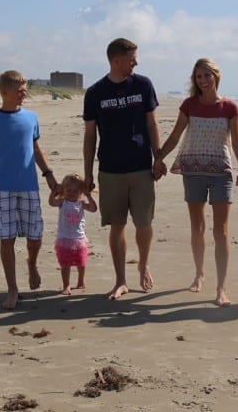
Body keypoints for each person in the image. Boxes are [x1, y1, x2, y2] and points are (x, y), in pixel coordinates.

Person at [154, 58, 238, 307]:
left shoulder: (229, 107)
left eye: (207, 75)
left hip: (222, 172)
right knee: (197, 227)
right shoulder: (189, 105)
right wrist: (158, 158)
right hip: (193, 170)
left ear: (216, 76)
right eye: (199, 77)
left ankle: (221, 288)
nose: (203, 81)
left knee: (221, 230)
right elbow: (175, 136)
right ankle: (199, 274)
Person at [0, 70, 59, 309]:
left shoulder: (31, 117)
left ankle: (32, 263)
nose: (24, 94)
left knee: (35, 235)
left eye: (25, 89)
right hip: (3, 189)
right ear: (4, 92)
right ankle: (12, 289)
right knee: (6, 239)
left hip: (30, 186)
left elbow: (37, 149)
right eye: (20, 91)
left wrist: (49, 175)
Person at [83, 37, 162, 300]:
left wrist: (158, 156)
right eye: (131, 59)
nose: (135, 63)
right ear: (116, 60)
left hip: (141, 166)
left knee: (144, 223)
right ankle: (120, 280)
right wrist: (88, 173)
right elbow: (90, 135)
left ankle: (143, 263)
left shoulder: (143, 85)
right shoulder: (95, 93)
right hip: (110, 169)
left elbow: (151, 124)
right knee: (117, 225)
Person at [49, 173, 97, 295]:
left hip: (79, 238)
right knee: (65, 263)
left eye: (75, 191)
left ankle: (81, 280)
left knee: (81, 261)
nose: (71, 193)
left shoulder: (80, 204)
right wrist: (54, 192)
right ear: (64, 190)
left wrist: (89, 196)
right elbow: (52, 202)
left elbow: (93, 208)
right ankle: (66, 285)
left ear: (80, 192)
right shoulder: (63, 202)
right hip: (64, 237)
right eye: (68, 190)